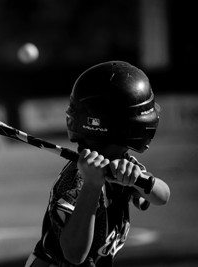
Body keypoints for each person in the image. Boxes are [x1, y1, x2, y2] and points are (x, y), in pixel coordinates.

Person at [25, 61, 170, 267]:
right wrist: (92, 186)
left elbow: (162, 196)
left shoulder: (124, 164)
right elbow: (74, 254)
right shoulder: (74, 181)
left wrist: (138, 179)